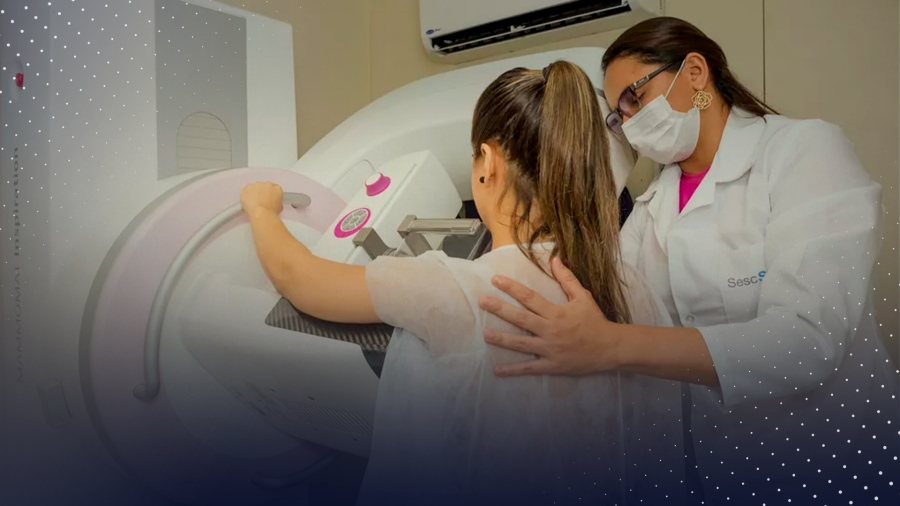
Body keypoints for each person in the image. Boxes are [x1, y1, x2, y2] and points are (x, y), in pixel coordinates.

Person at [478, 16, 900, 505]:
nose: (630, 124)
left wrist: (612, 345)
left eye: (635, 98)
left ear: (695, 73)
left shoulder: (803, 151)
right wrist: (594, 177)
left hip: (837, 463)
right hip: (728, 476)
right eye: (618, 117)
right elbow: (591, 294)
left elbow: (808, 341)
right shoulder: (651, 209)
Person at [240, 61, 685, 505]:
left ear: (487, 162)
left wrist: (262, 208)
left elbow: (299, 277)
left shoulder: (458, 287)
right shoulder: (633, 290)